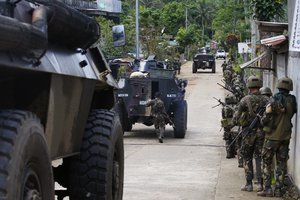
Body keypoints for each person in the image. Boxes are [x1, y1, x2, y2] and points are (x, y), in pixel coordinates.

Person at [257, 77, 297, 197]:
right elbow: (291, 114)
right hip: (285, 137)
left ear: (278, 86)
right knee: (281, 163)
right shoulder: (292, 100)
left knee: (267, 162)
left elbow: (264, 120)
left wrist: (263, 117)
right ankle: (279, 190)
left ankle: (268, 189)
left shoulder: (273, 100)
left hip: (272, 137)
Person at [232, 76, 268, 192]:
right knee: (259, 157)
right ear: (259, 86)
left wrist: (238, 120)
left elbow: (236, 118)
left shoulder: (245, 100)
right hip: (262, 133)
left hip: (248, 133)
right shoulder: (266, 100)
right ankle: (260, 184)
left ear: (249, 87)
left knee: (247, 157)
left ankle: (249, 184)